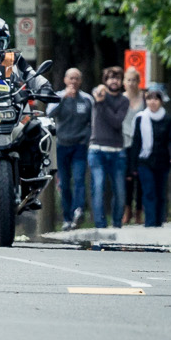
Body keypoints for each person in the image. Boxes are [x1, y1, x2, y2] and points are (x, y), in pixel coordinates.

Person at [49, 67, 92, 228]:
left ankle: (78, 210)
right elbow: (49, 114)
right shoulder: (58, 97)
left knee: (80, 179)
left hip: (79, 146)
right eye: (71, 78)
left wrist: (87, 138)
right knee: (64, 183)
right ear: (65, 80)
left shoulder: (86, 99)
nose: (73, 82)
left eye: (77, 78)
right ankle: (67, 218)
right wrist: (62, 99)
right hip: (61, 145)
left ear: (80, 81)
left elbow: (92, 121)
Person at [88, 65, 130, 230]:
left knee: (119, 191)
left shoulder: (123, 100)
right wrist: (99, 97)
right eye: (111, 78)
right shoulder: (98, 95)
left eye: (117, 78)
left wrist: (102, 104)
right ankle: (100, 226)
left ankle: (117, 224)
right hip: (97, 149)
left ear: (121, 82)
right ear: (105, 81)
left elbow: (116, 121)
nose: (114, 81)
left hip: (117, 151)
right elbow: (94, 92)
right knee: (98, 187)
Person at [130, 84, 171, 229]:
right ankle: (149, 222)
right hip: (145, 161)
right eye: (149, 98)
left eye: (156, 99)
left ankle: (159, 221)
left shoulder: (167, 119)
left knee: (160, 192)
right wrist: (133, 165)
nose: (152, 102)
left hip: (162, 161)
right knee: (148, 191)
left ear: (161, 100)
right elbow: (136, 142)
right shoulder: (140, 119)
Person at [123, 65, 146, 222]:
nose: (131, 83)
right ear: (124, 82)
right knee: (126, 179)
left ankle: (139, 211)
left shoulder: (145, 98)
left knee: (140, 178)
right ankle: (127, 210)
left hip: (140, 143)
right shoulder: (120, 98)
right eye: (128, 80)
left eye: (134, 80)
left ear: (138, 81)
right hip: (124, 142)